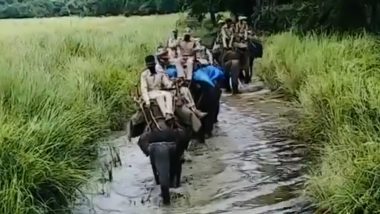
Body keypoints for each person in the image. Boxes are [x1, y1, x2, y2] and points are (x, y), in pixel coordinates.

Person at [140, 55, 174, 121]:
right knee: (160, 96)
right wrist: (147, 101)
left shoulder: (160, 72)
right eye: (149, 66)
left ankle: (169, 113)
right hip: (150, 93)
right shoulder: (144, 74)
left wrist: (171, 84)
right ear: (147, 66)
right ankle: (165, 115)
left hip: (159, 91)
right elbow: (143, 89)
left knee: (168, 94)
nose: (151, 67)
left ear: (155, 64)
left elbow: (167, 83)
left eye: (152, 65)